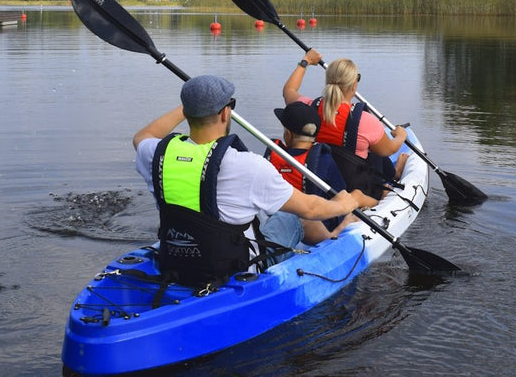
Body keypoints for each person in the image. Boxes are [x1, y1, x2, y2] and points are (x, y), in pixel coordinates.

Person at [133, 75, 359, 288]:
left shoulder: (155, 154)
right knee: (295, 216)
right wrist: (343, 204)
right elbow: (311, 208)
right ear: (225, 113)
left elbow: (142, 137)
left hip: (178, 258)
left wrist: (191, 106)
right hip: (237, 267)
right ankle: (334, 237)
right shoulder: (247, 165)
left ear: (188, 113)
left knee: (263, 212)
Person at [282, 48, 409, 199]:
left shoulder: (307, 107)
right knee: (375, 150)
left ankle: (394, 173)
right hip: (354, 188)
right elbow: (388, 150)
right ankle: (391, 178)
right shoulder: (366, 121)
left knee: (373, 146)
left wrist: (306, 61)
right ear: (354, 85)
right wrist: (400, 136)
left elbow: (288, 90)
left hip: (320, 181)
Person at [265, 102, 379, 246]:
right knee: (354, 194)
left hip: (280, 218)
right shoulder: (323, 159)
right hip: (320, 222)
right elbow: (340, 193)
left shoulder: (271, 158)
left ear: (288, 133)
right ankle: (381, 204)